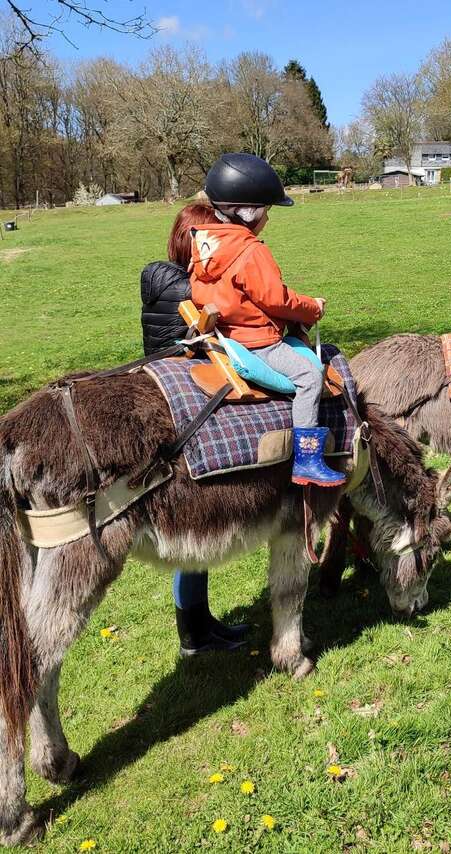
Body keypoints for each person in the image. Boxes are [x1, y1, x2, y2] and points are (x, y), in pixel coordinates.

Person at [191, 152, 346, 487]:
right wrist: (313, 308)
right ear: (249, 212)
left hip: (226, 334)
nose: (268, 219)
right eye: (267, 210)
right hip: (257, 341)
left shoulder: (205, 245)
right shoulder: (251, 251)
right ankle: (307, 460)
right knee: (309, 376)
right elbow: (277, 299)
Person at [141, 202, 249, 656]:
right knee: (193, 524)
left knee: (194, 531)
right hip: (185, 407)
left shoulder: (160, 278)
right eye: (212, 237)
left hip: (176, 398)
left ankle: (200, 626)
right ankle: (195, 633)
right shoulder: (186, 287)